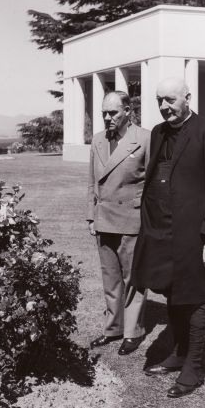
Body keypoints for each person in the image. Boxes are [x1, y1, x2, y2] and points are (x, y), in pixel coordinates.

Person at [131, 77, 205, 398]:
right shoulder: (158, 133)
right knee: (172, 292)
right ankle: (178, 352)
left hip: (192, 234)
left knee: (195, 295)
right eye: (159, 100)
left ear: (187, 98)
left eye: (170, 100)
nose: (164, 107)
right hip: (160, 231)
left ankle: (194, 368)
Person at [87, 91, 150, 355]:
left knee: (133, 278)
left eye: (113, 112)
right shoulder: (98, 140)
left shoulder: (145, 138)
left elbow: (152, 184)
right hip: (103, 219)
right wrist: (91, 215)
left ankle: (132, 332)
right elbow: (91, 182)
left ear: (128, 112)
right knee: (110, 278)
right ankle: (113, 328)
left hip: (130, 218)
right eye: (104, 113)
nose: (107, 117)